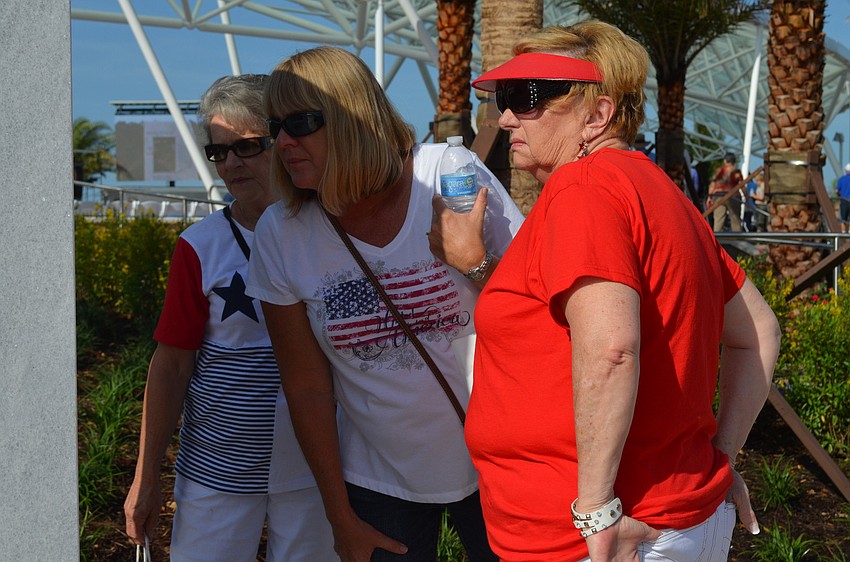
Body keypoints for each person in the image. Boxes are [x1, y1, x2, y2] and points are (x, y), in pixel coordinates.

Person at [466, 21, 781, 562]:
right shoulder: (660, 191)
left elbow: (611, 350)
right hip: (674, 516)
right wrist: (720, 461)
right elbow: (760, 331)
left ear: (597, 113)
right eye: (503, 97)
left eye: (525, 96)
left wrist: (595, 513)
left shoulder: (583, 188)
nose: (506, 115)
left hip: (593, 538)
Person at [245, 46, 525, 562]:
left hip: (500, 462)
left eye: (302, 123)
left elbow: (535, 305)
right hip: (379, 483)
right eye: (276, 126)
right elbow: (306, 386)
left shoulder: (450, 175)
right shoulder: (281, 233)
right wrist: (340, 516)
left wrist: (474, 262)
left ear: (354, 119)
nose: (283, 141)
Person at [123, 74, 335, 562]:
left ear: (284, 142)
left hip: (314, 468)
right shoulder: (199, 247)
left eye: (247, 146)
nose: (232, 163)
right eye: (220, 152)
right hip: (216, 471)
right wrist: (145, 477)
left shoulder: (332, 230)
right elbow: (171, 365)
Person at [708, 151, 745, 232]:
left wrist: (709, 197)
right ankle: (737, 239)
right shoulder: (736, 171)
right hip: (733, 196)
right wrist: (746, 196)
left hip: (719, 196)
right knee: (735, 219)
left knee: (718, 220)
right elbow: (742, 185)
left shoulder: (719, 170)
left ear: (725, 161)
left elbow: (713, 184)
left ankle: (716, 240)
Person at [836, 163, 850, 233]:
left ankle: (843, 232)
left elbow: (837, 191)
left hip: (844, 201)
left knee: (843, 219)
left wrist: (839, 195)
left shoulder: (841, 179)